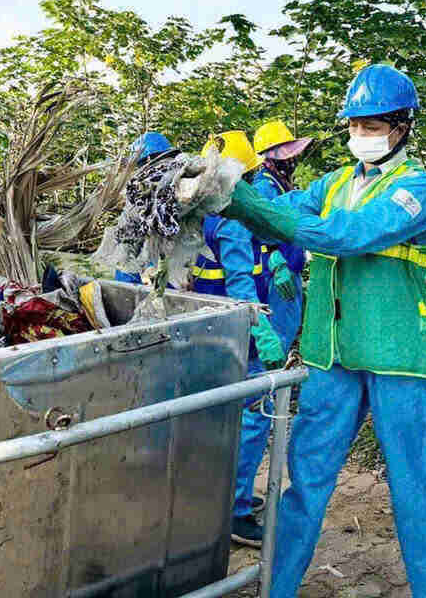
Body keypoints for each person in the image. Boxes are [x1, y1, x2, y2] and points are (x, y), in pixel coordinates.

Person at [220, 64, 426, 598]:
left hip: (397, 356)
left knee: (416, 494)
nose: (361, 135)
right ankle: (275, 590)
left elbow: (349, 235)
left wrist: (246, 204)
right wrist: (227, 196)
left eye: (373, 125)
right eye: (355, 125)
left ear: (401, 128)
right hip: (332, 355)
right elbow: (274, 212)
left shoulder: (415, 188)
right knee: (304, 486)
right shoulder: (334, 183)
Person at [190, 130, 289, 548]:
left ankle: (205, 502)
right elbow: (241, 286)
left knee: (205, 420)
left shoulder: (193, 212)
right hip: (237, 337)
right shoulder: (231, 220)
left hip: (200, 333)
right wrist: (264, 335)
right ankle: (236, 511)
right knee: (252, 419)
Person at [250, 118, 311, 358]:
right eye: (287, 155)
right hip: (277, 272)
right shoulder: (264, 186)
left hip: (289, 268)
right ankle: (269, 388)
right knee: (278, 333)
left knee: (287, 327)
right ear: (271, 158)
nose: (292, 160)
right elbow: (258, 224)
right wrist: (275, 258)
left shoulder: (280, 183)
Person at [114, 132, 176, 284]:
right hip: (190, 273)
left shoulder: (143, 188)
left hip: (170, 269)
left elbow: (127, 240)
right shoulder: (184, 179)